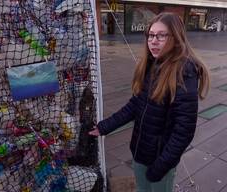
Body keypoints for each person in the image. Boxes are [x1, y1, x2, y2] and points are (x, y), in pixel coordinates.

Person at [89, 12, 210, 192]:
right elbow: (135, 105)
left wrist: (161, 166)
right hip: (140, 152)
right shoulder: (152, 65)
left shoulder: (184, 72)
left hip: (161, 160)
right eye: (151, 35)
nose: (153, 41)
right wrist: (104, 127)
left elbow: (183, 131)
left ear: (176, 38)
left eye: (161, 35)